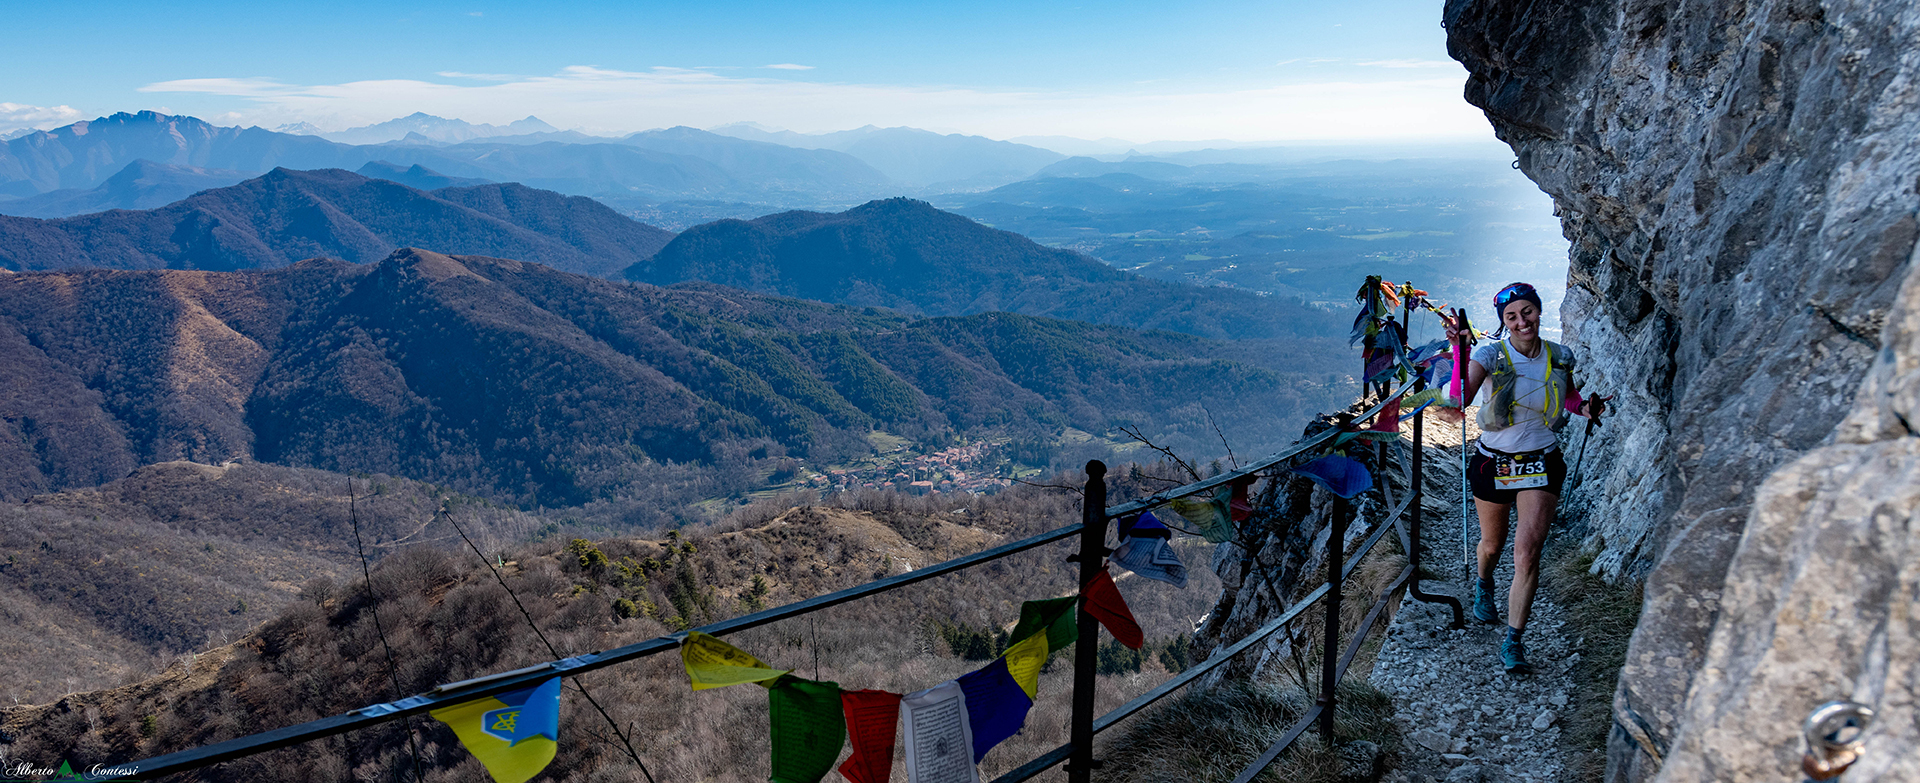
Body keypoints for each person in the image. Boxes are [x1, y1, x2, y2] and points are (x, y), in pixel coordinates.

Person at [1443, 282, 1609, 674]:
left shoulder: (1560, 356)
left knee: (1527, 553)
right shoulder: (1488, 354)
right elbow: (1460, 399)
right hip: (1493, 462)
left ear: (1538, 310)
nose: (1522, 322)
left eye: (1527, 312)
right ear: (1503, 322)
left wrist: (1586, 408)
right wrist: (1460, 352)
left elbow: (1568, 399)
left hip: (1541, 460)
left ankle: (1514, 640)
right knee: (1492, 544)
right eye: (1512, 317)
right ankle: (1485, 584)